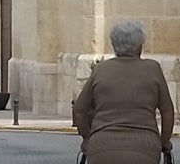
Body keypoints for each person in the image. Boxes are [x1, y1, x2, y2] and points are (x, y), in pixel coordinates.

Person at [73, 20, 174, 164]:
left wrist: (87, 138)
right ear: (139, 45)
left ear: (114, 45)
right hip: (144, 147)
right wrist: (164, 142)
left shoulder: (101, 69)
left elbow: (79, 110)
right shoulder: (153, 69)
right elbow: (167, 111)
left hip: (102, 147)